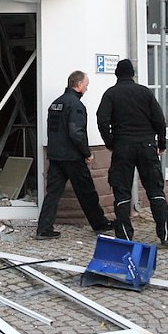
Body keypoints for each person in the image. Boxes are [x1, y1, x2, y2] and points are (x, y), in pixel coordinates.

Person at [96, 59, 168, 246]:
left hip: (123, 146)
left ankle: (124, 235)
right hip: (147, 145)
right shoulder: (145, 92)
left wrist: (111, 143)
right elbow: (159, 120)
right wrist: (161, 144)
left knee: (121, 191)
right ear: (132, 74)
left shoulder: (111, 94)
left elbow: (102, 120)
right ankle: (165, 234)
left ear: (117, 74)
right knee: (155, 189)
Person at [36, 70, 114, 240]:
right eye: (86, 85)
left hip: (56, 156)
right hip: (72, 157)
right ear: (78, 85)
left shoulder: (55, 104)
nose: (87, 89)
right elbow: (76, 133)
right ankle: (99, 223)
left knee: (53, 194)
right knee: (87, 192)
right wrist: (87, 153)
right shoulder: (76, 105)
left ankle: (43, 228)